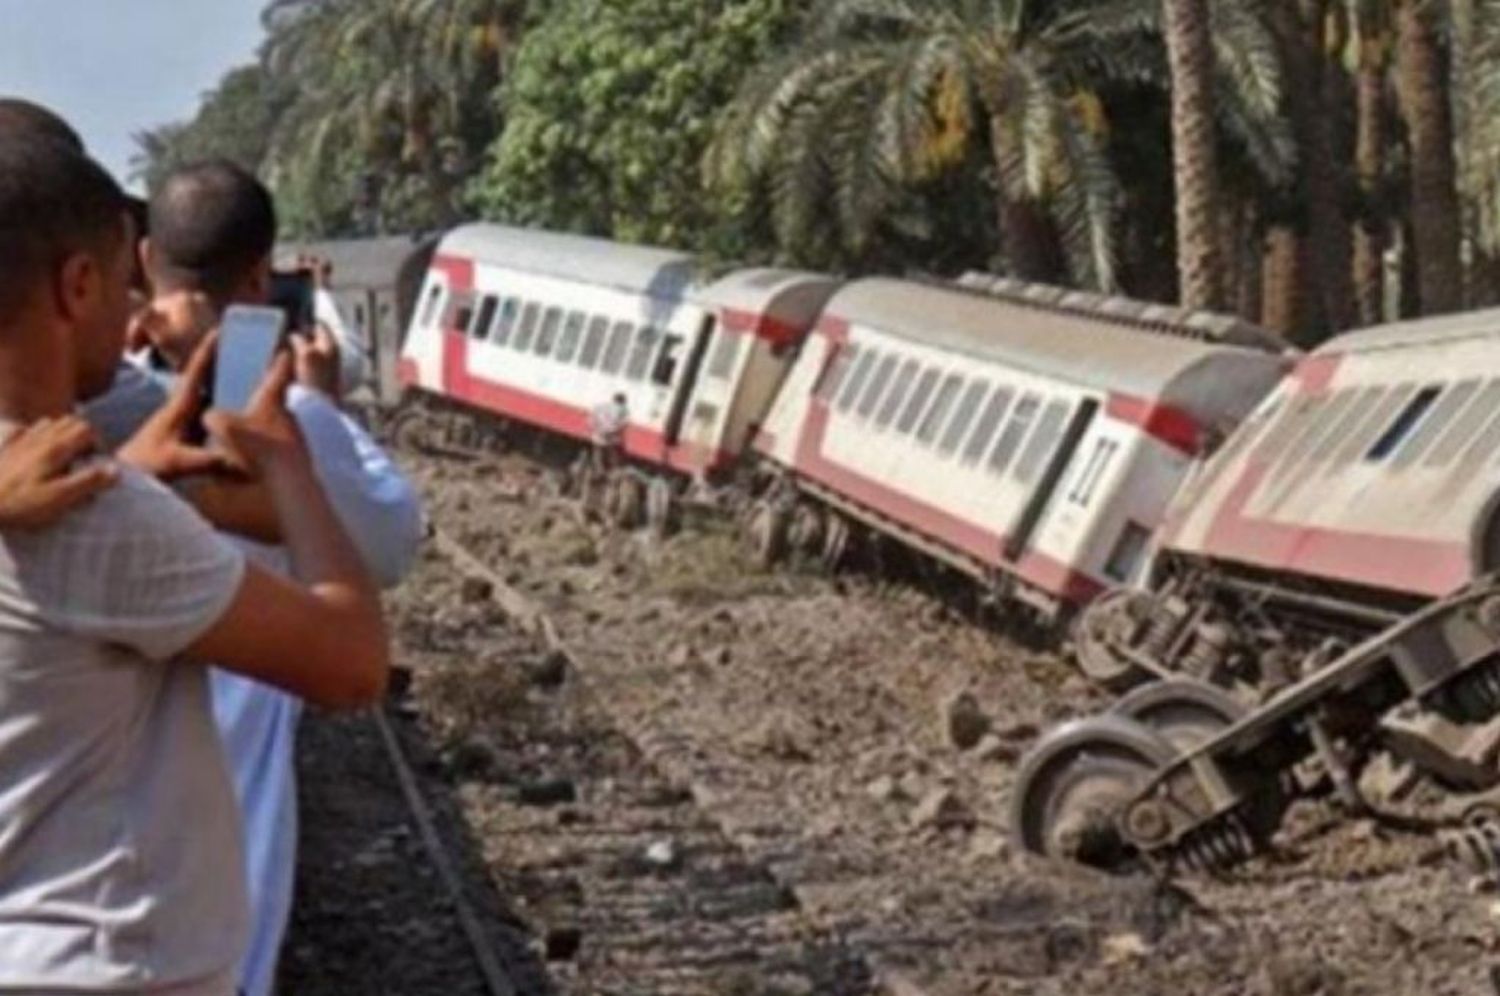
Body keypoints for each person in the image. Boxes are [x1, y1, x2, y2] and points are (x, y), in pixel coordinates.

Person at [0, 130, 388, 995]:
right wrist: (283, 453)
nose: (137, 316)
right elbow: (352, 663)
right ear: (78, 284)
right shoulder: (92, 514)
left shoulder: (44, 492)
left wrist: (131, 470)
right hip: (105, 963)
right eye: (124, 283)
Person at [87, 159, 423, 996]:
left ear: (144, 263)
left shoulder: (63, 438)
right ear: (255, 276)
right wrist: (316, 416)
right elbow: (388, 548)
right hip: (202, 919)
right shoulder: (289, 428)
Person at [589, 391, 629, 471]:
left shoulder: (602, 406)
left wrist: (596, 427)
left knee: (597, 453)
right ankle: (613, 469)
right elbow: (622, 425)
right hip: (610, 437)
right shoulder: (622, 410)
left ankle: (598, 470)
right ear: (622, 402)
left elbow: (593, 417)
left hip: (598, 434)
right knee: (612, 453)